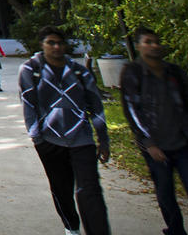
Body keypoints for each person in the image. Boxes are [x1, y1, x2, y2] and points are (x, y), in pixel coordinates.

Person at [120, 27, 188, 235]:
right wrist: (148, 142)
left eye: (156, 41)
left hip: (184, 145)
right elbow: (131, 109)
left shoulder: (175, 72)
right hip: (157, 150)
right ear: (139, 46)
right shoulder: (133, 73)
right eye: (148, 42)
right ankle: (176, 231)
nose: (153, 45)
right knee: (166, 197)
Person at [20, 27, 111, 235]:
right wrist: (36, 138)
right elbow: (28, 104)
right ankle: (71, 227)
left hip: (81, 138)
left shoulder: (80, 71)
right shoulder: (30, 70)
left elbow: (95, 106)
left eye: (60, 43)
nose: (56, 47)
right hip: (50, 141)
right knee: (61, 188)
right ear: (42, 45)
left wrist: (103, 139)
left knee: (90, 190)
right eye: (51, 43)